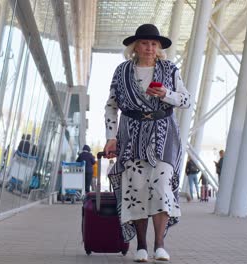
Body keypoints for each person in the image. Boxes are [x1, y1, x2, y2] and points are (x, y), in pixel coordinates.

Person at [103, 24, 191, 262]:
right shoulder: (122, 71)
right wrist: (111, 137)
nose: (149, 48)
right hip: (131, 135)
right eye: (144, 43)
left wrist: (165, 94)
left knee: (162, 185)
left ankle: (159, 244)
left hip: (164, 134)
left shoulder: (170, 70)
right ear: (135, 46)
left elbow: (185, 100)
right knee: (136, 189)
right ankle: (141, 245)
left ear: (159, 47)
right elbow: (111, 105)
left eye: (154, 44)